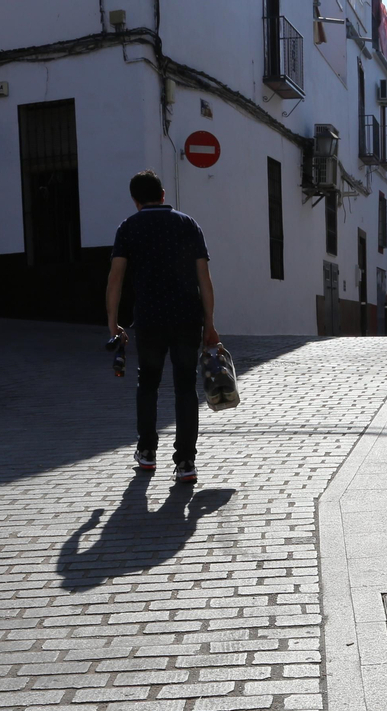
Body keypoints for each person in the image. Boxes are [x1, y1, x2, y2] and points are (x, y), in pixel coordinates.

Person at [106, 170, 220, 484]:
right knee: (185, 387)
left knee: (148, 384)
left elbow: (115, 280)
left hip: (150, 319)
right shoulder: (187, 224)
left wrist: (113, 325)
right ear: (163, 194)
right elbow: (204, 279)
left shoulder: (128, 228)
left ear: (135, 200)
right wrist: (209, 324)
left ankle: (147, 452)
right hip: (186, 318)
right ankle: (186, 462)